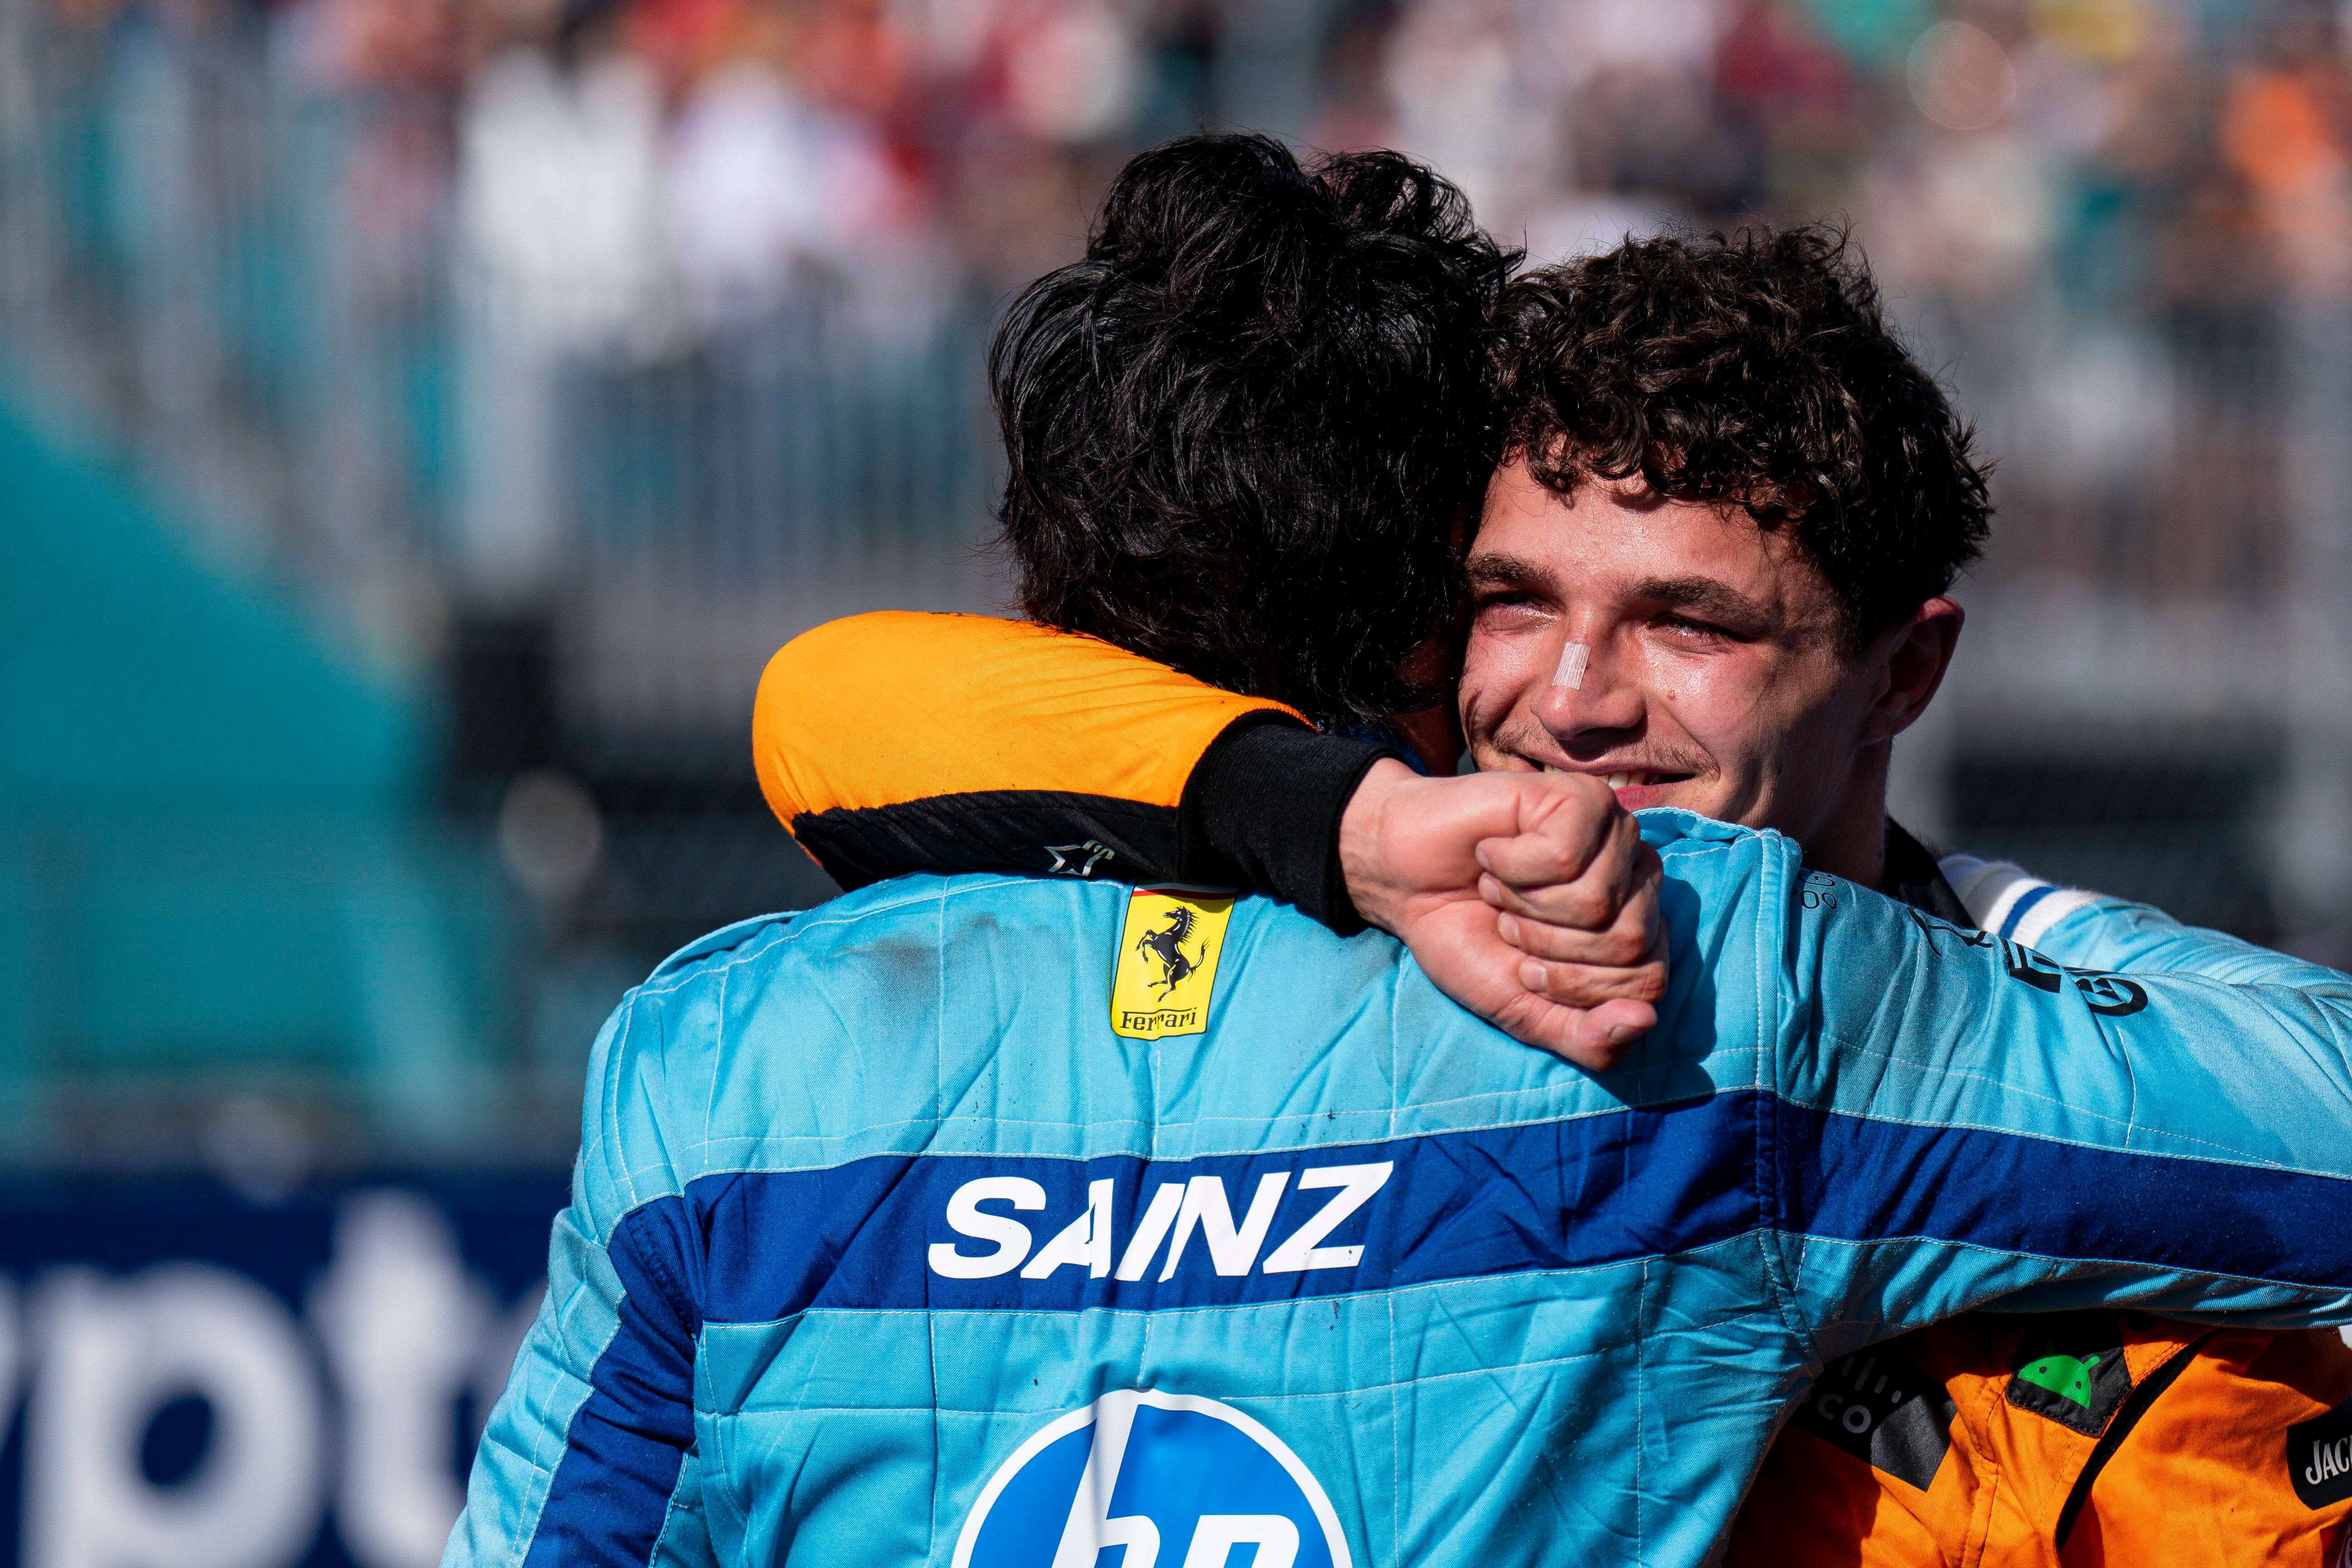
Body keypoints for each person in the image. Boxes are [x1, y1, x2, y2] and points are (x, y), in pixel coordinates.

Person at [447, 141, 2352, 1568]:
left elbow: (834, 703)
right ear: (1424, 624)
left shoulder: (716, 1060)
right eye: (1518, 601)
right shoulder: (1711, 1000)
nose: (1585, 700)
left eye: (1689, 622)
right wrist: (1339, 817)